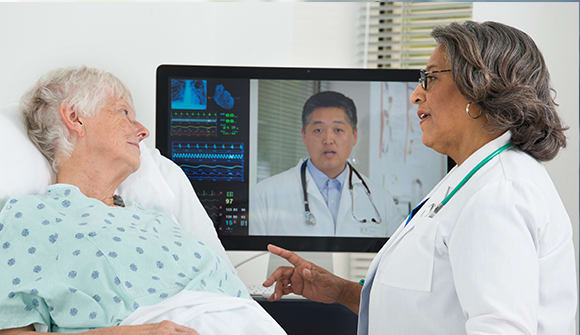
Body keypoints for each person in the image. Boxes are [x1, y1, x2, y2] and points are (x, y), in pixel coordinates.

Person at [263, 21, 577, 334]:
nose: (415, 95)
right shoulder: (469, 180)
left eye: (429, 78)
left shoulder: (498, 195)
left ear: (479, 86)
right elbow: (435, 311)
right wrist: (341, 291)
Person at [0, 67, 285, 335]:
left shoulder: (157, 218)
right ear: (75, 117)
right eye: (124, 112)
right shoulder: (31, 218)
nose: (143, 131)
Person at [250, 91, 400, 237]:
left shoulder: (381, 200)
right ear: (304, 135)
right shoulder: (264, 195)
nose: (328, 139)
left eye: (338, 130)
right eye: (318, 130)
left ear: (354, 136)